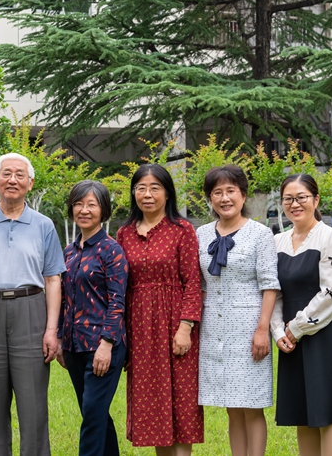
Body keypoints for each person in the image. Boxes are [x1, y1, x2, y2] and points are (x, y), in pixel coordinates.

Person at [0, 152, 66, 456]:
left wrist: (51, 330)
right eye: (6, 174)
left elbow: (53, 280)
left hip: (31, 310)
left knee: (33, 403)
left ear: (30, 183)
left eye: (20, 174)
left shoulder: (43, 225)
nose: (12, 180)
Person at [271, 174, 332, 456]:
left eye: (301, 197)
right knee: (303, 410)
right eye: (288, 199)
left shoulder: (330, 237)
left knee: (329, 410)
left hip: (325, 333)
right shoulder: (277, 241)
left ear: (316, 200)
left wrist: (296, 328)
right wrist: (278, 331)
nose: (295, 204)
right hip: (290, 337)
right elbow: (273, 291)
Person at [116, 165, 203, 455]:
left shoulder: (182, 230)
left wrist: (186, 327)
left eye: (155, 188)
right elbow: (121, 285)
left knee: (182, 403)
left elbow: (192, 282)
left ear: (167, 193)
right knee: (152, 405)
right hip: (140, 328)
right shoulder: (124, 233)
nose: (147, 194)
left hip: (175, 323)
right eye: (141, 188)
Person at [196, 164, 279, 456]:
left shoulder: (260, 234)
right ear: (210, 198)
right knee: (232, 406)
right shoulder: (201, 234)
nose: (224, 198)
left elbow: (270, 284)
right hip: (213, 330)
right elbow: (200, 284)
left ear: (243, 195)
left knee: (252, 405)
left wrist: (262, 330)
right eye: (217, 192)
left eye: (230, 191)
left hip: (248, 329)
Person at [57, 180, 128, 456]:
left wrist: (107, 344)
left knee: (92, 416)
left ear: (103, 210)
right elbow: (64, 299)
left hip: (103, 346)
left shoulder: (112, 250)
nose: (84, 210)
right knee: (94, 414)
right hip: (74, 346)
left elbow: (117, 301)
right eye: (78, 204)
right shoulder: (68, 252)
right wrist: (61, 339)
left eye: (91, 204)